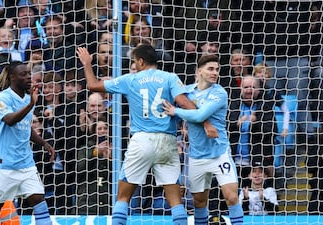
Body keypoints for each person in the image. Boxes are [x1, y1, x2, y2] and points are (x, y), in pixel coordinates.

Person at [77, 44, 217, 225]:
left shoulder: (131, 79)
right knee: (175, 199)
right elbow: (183, 102)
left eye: (135, 61)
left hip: (141, 140)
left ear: (141, 61)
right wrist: (206, 123)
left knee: (123, 197)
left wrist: (87, 63)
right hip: (167, 141)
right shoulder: (170, 78)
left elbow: (93, 85)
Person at [162, 54, 244, 225]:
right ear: (199, 72)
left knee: (231, 196)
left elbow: (200, 115)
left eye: (217, 69)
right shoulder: (188, 91)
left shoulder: (219, 93)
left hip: (219, 153)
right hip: (197, 156)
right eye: (210, 69)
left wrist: (176, 111)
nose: (215, 73)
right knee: (199, 201)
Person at [0, 61, 55, 225]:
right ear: (12, 77)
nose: (28, 77)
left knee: (39, 201)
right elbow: (10, 120)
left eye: (29, 73)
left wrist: (44, 143)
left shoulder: (28, 99)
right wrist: (30, 105)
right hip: (3, 164)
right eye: (24, 74)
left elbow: (25, 128)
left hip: (25, 163)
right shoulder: (2, 99)